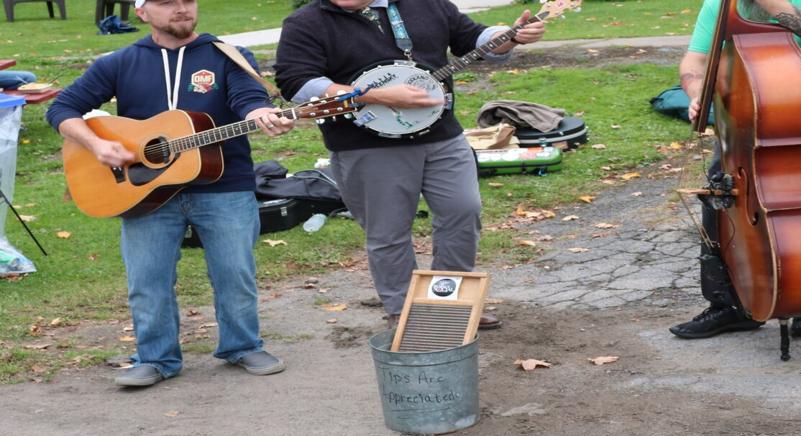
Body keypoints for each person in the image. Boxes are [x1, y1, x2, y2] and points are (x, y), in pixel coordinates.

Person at [47, 0, 295, 388]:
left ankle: (243, 346)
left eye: (187, 1)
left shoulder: (227, 55)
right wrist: (95, 144)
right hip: (143, 190)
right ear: (142, 12)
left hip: (224, 185)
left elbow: (248, 99)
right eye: (167, 2)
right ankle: (156, 357)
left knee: (235, 273)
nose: (181, 9)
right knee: (147, 280)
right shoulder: (120, 61)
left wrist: (258, 115)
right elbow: (63, 108)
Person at [275, 0, 545, 331]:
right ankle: (403, 311)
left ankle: (449, 305)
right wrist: (371, 95)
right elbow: (296, 82)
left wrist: (511, 36)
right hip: (365, 145)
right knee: (388, 232)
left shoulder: (426, 3)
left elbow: (472, 37)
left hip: (441, 135)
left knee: (463, 212)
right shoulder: (307, 22)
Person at [670, 0, 801, 340]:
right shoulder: (722, 3)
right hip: (744, 125)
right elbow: (697, 57)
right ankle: (729, 304)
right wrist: (697, 89)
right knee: (724, 207)